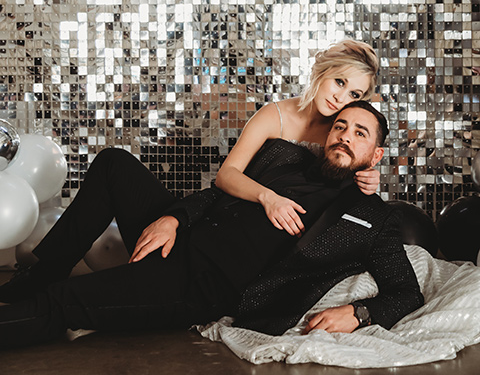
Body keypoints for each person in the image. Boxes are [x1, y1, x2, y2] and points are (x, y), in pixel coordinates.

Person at [0, 101, 424, 348]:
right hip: (182, 233)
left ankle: (38, 295)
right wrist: (172, 216)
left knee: (63, 302)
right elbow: (220, 192)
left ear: (376, 154)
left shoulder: (373, 217)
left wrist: (359, 312)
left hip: (199, 283)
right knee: (114, 163)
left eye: (360, 133)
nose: (345, 136)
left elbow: (406, 291)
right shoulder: (285, 159)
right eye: (340, 126)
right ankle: (37, 274)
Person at [216, 39, 381, 236]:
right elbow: (226, 175)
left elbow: (343, 186)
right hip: (249, 218)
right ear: (320, 71)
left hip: (308, 232)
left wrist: (368, 177)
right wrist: (268, 198)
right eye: (339, 82)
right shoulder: (274, 116)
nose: (341, 98)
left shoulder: (342, 134)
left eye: (354, 94)